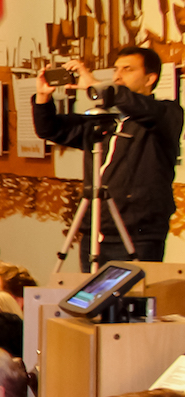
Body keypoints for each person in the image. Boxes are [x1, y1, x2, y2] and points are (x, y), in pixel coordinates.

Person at [34, 48, 183, 266]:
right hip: (95, 230)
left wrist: (96, 84)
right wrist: (43, 97)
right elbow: (50, 129)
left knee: (134, 288)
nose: (117, 76)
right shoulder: (103, 120)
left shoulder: (166, 114)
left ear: (150, 78)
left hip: (139, 234)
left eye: (127, 69)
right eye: (116, 70)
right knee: (89, 289)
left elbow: (141, 107)